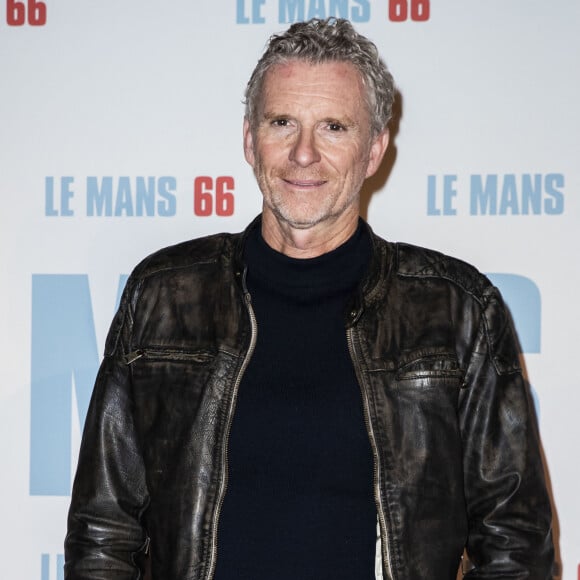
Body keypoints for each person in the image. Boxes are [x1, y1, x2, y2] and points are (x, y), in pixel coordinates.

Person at [64, 18, 554, 580]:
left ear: (374, 150)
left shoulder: (457, 310)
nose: (303, 153)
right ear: (250, 140)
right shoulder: (163, 297)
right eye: (282, 122)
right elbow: (103, 534)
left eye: (333, 127)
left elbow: (515, 547)